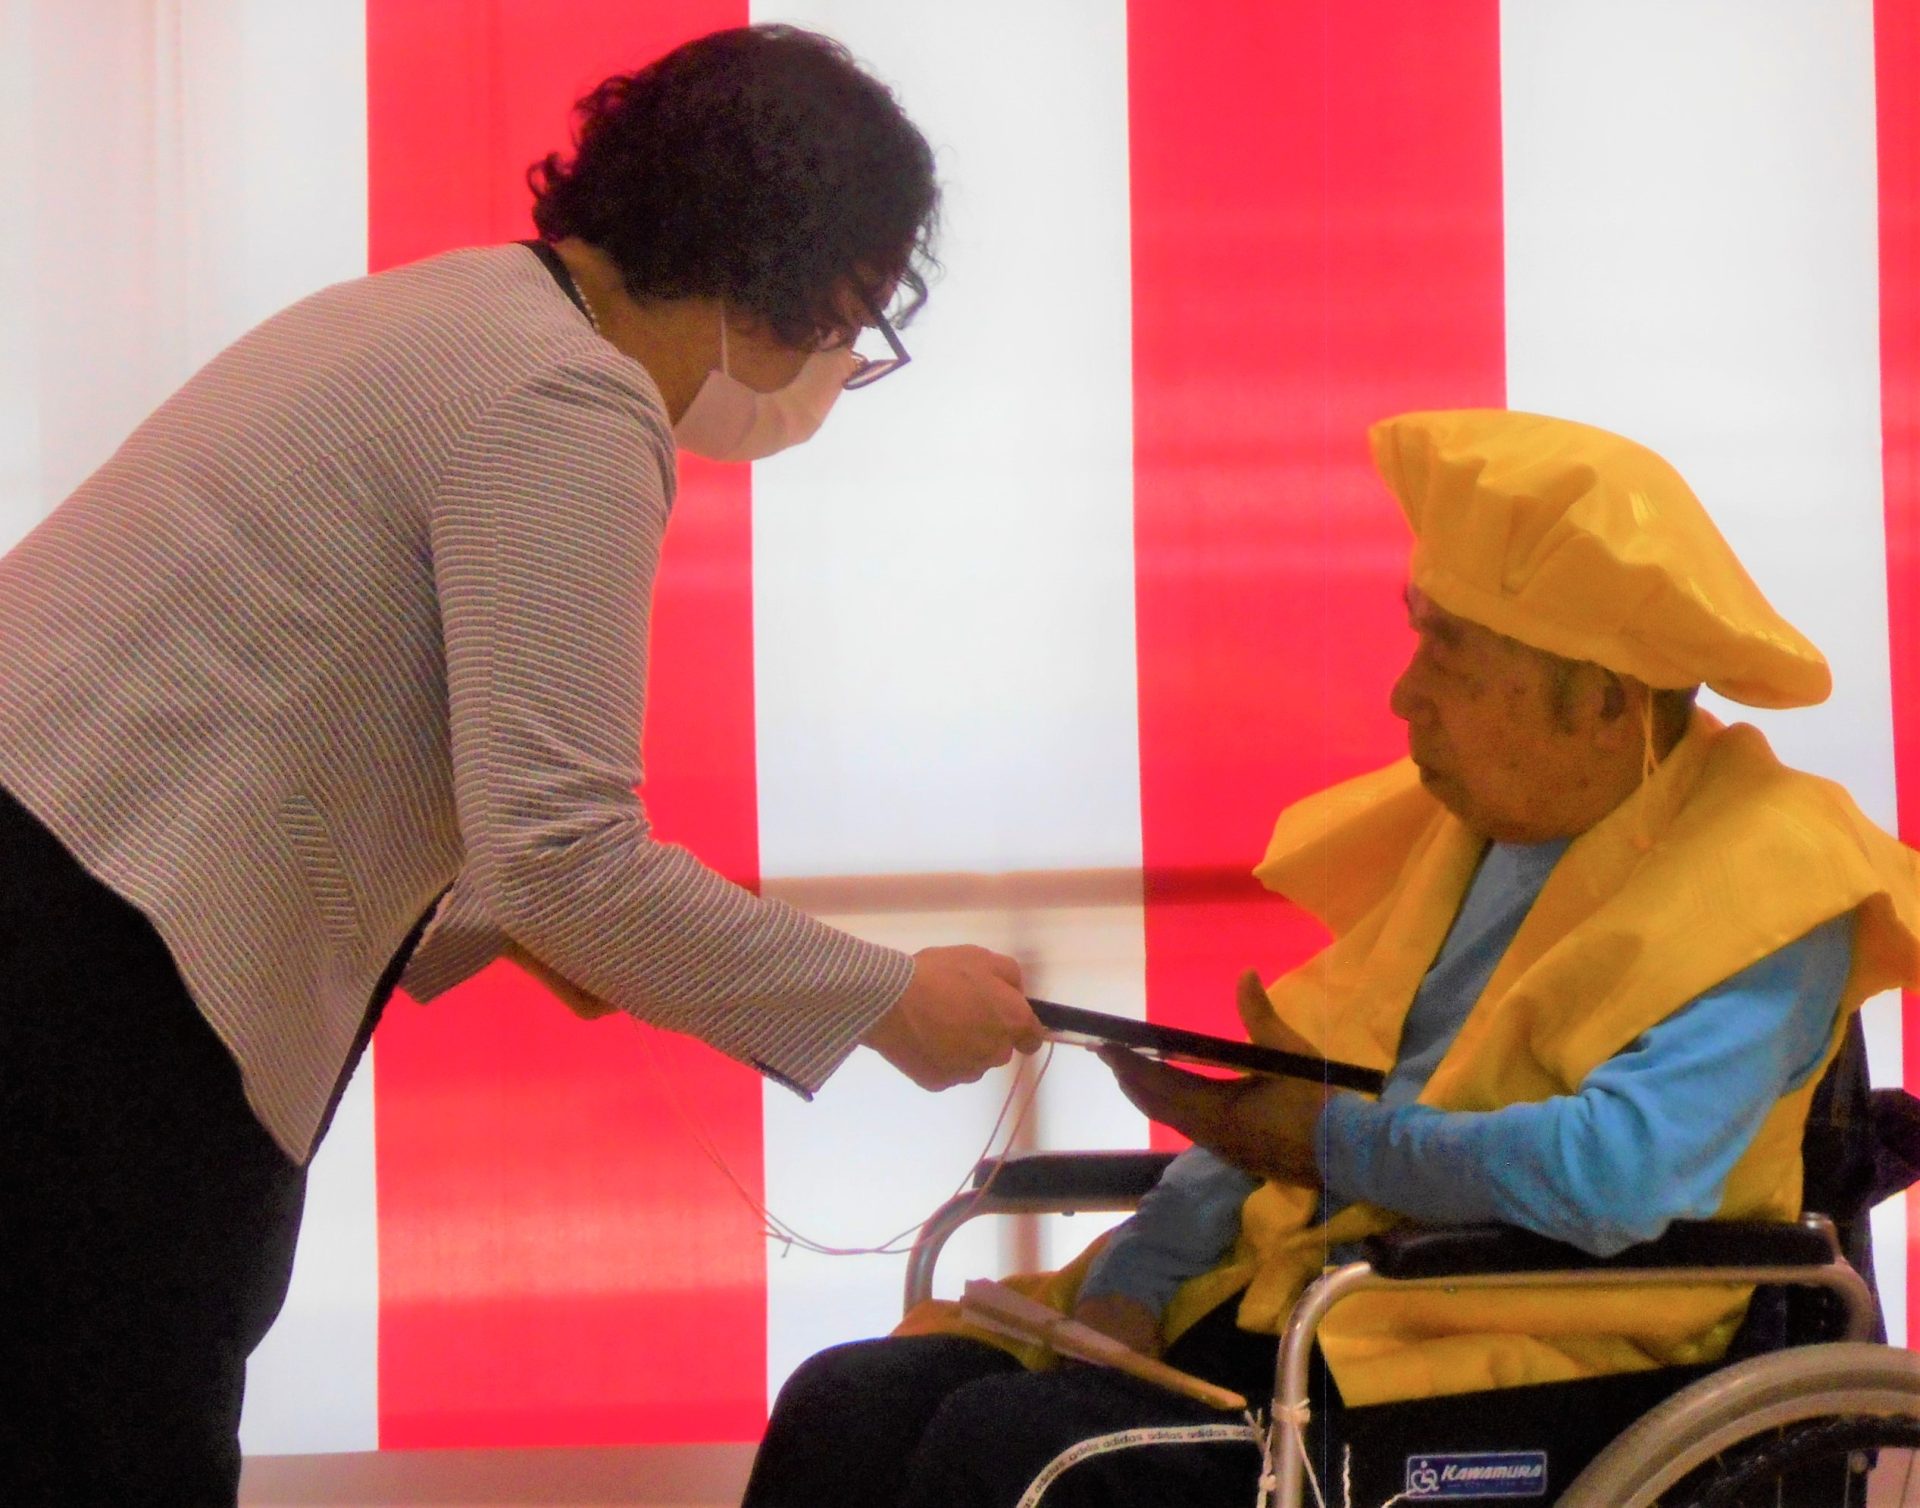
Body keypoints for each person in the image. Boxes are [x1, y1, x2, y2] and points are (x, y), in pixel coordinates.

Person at [0, 24, 1041, 1507]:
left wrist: (521, 918)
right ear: (799, 281)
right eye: (854, 325)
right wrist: (887, 1000)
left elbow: (316, 700)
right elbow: (563, 854)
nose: (835, 367)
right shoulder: (569, 401)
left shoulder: (446, 311)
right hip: (87, 991)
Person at [741, 409, 1920, 1508]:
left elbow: (1615, 1175)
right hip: (1320, 1310)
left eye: (1450, 655)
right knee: (847, 1403)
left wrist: (1324, 1143)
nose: (1405, 696)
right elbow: (1306, 1094)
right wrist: (1133, 1283)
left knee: (1020, 1454)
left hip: (1537, 1359)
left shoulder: (1776, 878)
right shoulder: (1469, 832)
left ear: (1604, 700)